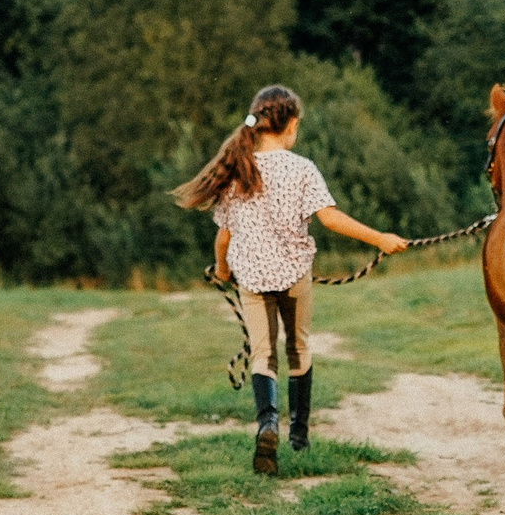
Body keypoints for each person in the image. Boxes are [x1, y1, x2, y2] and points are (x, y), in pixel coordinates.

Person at [174, 85, 407, 473]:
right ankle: (299, 434)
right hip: (295, 275)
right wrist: (380, 238)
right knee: (298, 349)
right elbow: (330, 218)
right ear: (290, 124)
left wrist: (223, 270)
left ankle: (267, 423)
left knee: (263, 354)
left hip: (251, 277)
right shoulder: (301, 168)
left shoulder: (238, 169)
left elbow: (224, 236)